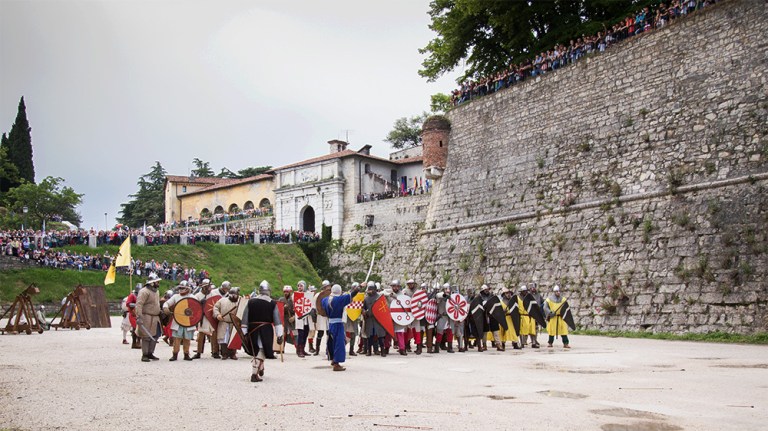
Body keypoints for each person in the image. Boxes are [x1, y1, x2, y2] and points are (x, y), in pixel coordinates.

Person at [242, 281, 283, 382]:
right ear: (269, 291)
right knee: (261, 350)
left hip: (252, 329)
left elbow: (244, 319)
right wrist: (280, 335)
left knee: (257, 348)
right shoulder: (272, 303)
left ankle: (260, 367)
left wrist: (244, 332)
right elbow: (277, 321)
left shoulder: (251, 301)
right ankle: (254, 374)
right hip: (265, 329)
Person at [321, 283, 360, 371]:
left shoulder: (325, 300)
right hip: (338, 324)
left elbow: (322, 307)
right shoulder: (339, 300)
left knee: (331, 342)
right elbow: (352, 294)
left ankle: (332, 359)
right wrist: (360, 286)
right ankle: (336, 363)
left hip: (330, 323)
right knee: (339, 343)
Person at [162, 281, 196, 361]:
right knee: (177, 339)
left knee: (187, 339)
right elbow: (166, 303)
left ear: (187, 288)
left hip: (188, 321)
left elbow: (197, 308)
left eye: (182, 288)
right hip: (178, 320)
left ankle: (186, 354)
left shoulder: (192, 297)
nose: (181, 290)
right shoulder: (176, 296)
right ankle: (175, 354)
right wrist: (165, 308)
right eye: (180, 288)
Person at [135, 272, 163, 362]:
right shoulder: (144, 291)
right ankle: (145, 354)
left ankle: (150, 353)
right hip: (146, 316)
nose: (158, 283)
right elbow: (139, 305)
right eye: (157, 282)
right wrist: (139, 316)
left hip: (155, 317)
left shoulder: (157, 291)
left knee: (155, 336)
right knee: (146, 336)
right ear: (152, 283)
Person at [193, 279, 222, 359]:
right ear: (203, 287)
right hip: (203, 318)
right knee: (201, 335)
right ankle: (198, 352)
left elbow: (218, 304)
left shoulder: (214, 294)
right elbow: (194, 307)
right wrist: (200, 305)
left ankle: (215, 352)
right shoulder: (197, 296)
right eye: (207, 286)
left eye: (209, 286)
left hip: (212, 317)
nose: (209, 288)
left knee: (214, 334)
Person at [214, 286, 242, 360]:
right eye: (232, 294)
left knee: (233, 338)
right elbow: (215, 307)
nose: (233, 296)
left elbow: (244, 310)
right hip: (224, 322)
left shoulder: (240, 301)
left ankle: (233, 354)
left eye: (235, 295)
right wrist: (218, 314)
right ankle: (224, 354)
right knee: (224, 339)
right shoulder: (222, 300)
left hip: (235, 323)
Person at [362, 281, 387, 356]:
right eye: (368, 289)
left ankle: (382, 350)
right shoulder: (366, 299)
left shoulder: (379, 297)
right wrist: (363, 312)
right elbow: (363, 308)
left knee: (380, 336)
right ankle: (369, 351)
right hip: (369, 319)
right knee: (370, 336)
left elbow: (384, 309)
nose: (369, 291)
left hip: (378, 320)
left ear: (374, 289)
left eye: (370, 289)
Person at [277, 285, 300, 357]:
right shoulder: (281, 300)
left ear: (290, 292)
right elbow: (278, 310)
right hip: (284, 320)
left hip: (292, 320)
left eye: (287, 292)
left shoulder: (294, 300)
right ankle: (280, 349)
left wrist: (294, 317)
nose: (285, 293)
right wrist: (283, 308)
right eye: (284, 292)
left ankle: (298, 349)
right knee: (283, 335)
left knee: (295, 335)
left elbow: (298, 310)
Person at [294, 280, 312, 357]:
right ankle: (299, 351)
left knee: (305, 334)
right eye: (298, 286)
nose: (299, 287)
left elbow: (310, 303)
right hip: (300, 318)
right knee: (300, 335)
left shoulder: (307, 294)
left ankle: (303, 349)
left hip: (306, 319)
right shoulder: (295, 295)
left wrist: (309, 292)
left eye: (301, 286)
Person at [313, 280, 331, 356]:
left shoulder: (330, 294)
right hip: (320, 316)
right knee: (320, 333)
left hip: (328, 316)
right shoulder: (318, 295)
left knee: (328, 333)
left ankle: (328, 349)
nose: (329, 287)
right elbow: (315, 305)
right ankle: (317, 349)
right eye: (328, 286)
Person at [343, 282, 361, 357]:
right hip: (347, 316)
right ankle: (341, 348)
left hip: (354, 317)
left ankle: (351, 350)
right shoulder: (346, 295)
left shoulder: (359, 296)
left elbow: (360, 306)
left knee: (353, 334)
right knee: (345, 334)